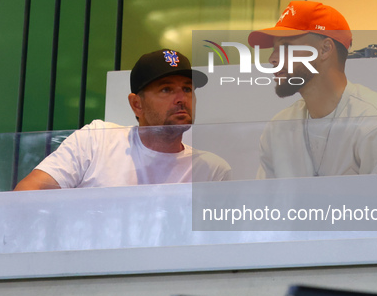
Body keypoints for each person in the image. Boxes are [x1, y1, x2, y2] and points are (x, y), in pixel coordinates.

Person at [248, 1, 377, 178]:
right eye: (274, 49)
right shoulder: (279, 128)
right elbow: (265, 202)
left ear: (325, 50)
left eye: (286, 47)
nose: (272, 59)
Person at [14, 49, 231, 190]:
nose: (181, 99)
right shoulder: (96, 140)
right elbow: (26, 194)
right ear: (137, 104)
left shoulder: (211, 170)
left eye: (186, 89)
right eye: (166, 89)